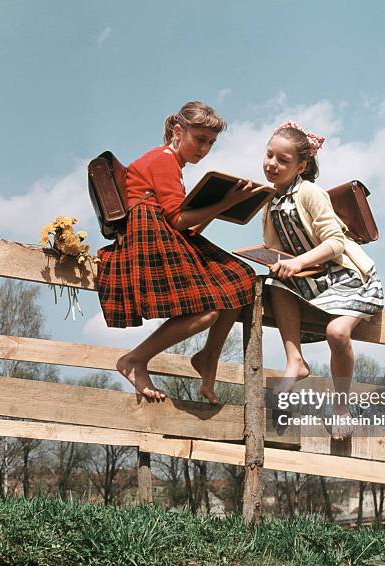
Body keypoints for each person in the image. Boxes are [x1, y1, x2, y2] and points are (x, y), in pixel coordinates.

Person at [97, 101, 263, 403]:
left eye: (210, 143)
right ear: (177, 131)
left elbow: (186, 226)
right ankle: (135, 359)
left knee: (240, 278)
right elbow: (176, 218)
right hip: (150, 233)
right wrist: (225, 203)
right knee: (207, 311)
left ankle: (208, 357)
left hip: (162, 232)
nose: (204, 149)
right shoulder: (164, 160)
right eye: (200, 139)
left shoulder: (171, 164)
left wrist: (220, 206)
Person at [262, 122, 384, 439]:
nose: (272, 164)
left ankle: (342, 407)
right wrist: (276, 261)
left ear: (301, 166)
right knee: (274, 283)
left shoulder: (310, 192)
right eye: (269, 155)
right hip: (312, 277)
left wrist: (300, 261)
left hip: (347, 275)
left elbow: (335, 243)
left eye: (282, 160)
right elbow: (275, 248)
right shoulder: (271, 201)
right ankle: (295, 362)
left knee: (337, 332)